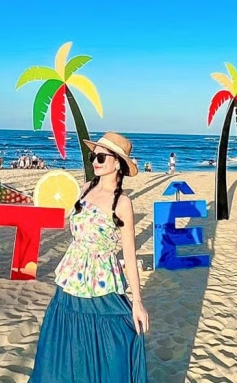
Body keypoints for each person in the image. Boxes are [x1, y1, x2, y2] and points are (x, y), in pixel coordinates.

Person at [29, 132, 148, 383]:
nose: (95, 161)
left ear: (117, 163)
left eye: (101, 157)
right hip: (72, 275)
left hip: (101, 278)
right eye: (93, 155)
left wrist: (137, 301)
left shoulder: (123, 203)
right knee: (66, 341)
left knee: (114, 338)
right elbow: (72, 223)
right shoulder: (85, 189)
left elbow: (129, 252)